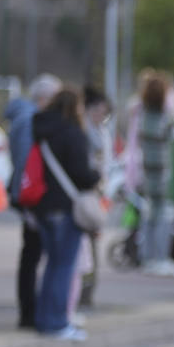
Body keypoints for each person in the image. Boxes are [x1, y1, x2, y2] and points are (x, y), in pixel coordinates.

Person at [31, 87, 100, 340]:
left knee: (51, 265)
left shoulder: (42, 131)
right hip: (66, 206)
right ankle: (57, 322)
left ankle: (43, 318)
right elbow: (82, 174)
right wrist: (97, 176)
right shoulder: (73, 133)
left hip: (43, 206)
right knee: (64, 268)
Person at [5, 73, 62, 330]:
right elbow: (28, 164)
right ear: (43, 97)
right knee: (32, 254)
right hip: (31, 198)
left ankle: (30, 310)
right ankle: (29, 312)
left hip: (26, 195)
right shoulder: (30, 121)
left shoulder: (24, 118)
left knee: (31, 254)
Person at [137, 74, 174, 275]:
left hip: (147, 170)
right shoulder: (164, 116)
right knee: (164, 215)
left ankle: (147, 256)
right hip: (162, 171)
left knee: (149, 214)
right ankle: (160, 258)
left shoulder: (143, 115)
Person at [76, 85, 113, 311]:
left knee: (91, 244)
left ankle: (88, 292)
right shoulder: (82, 132)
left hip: (96, 194)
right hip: (84, 195)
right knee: (84, 246)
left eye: (104, 112)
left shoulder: (102, 132)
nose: (101, 116)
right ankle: (81, 293)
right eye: (98, 111)